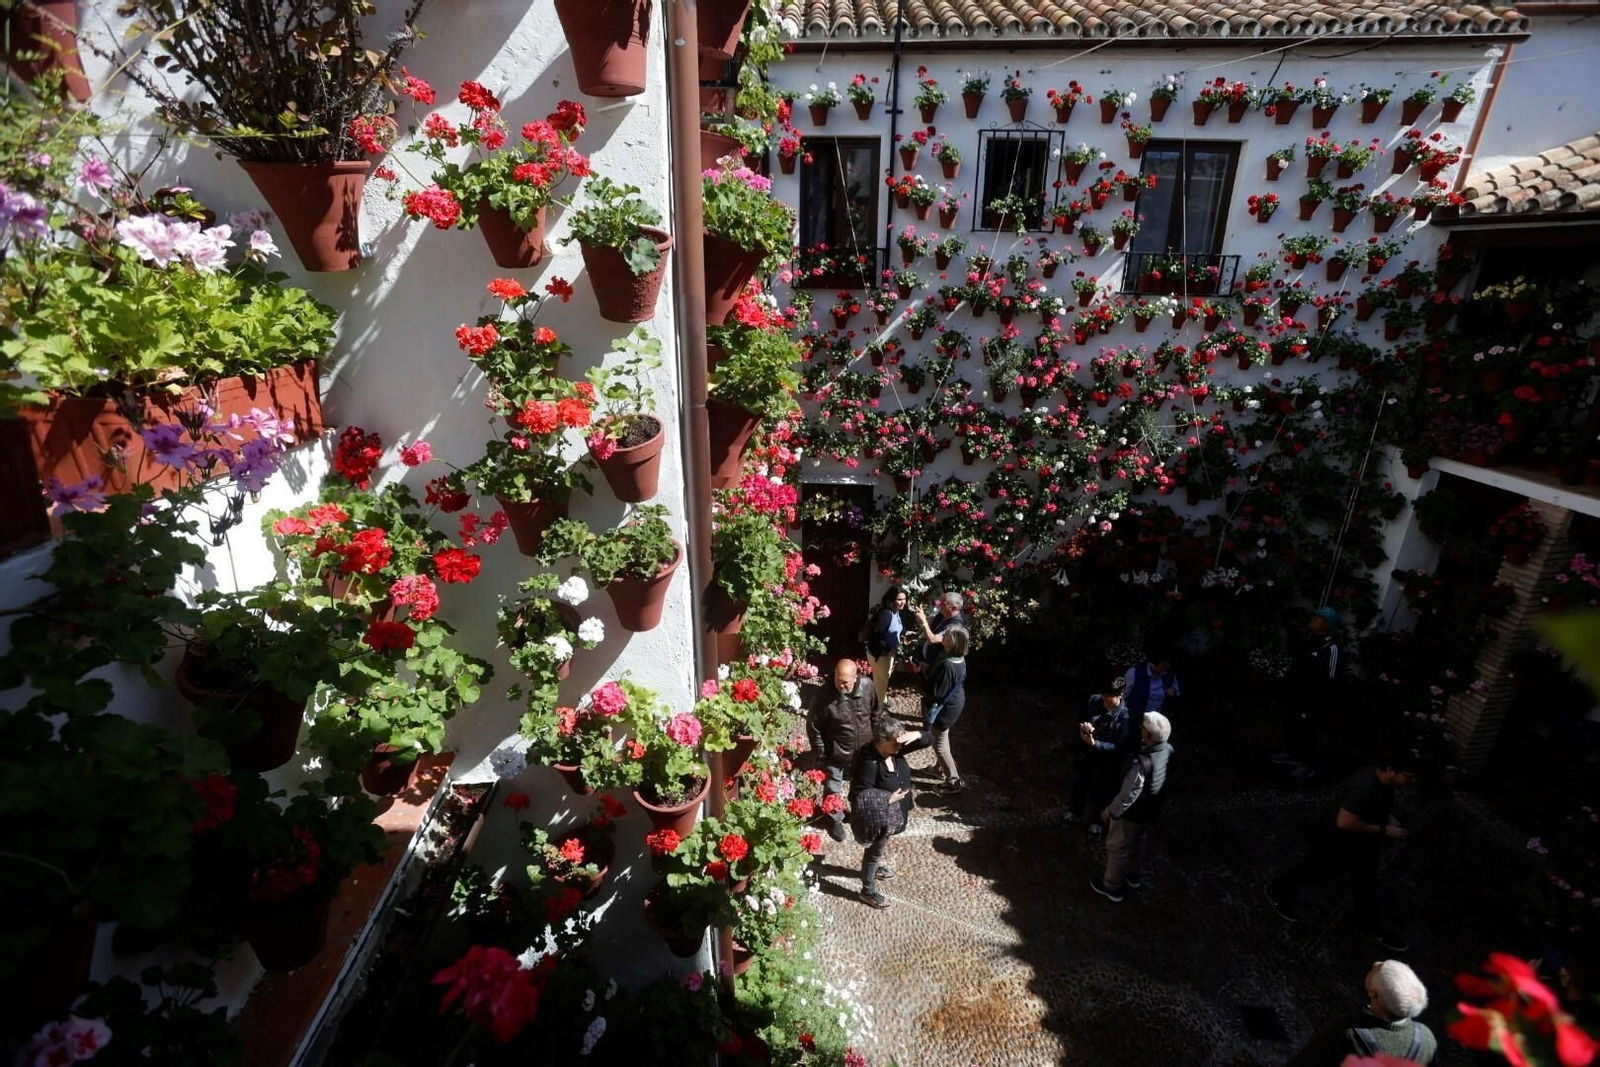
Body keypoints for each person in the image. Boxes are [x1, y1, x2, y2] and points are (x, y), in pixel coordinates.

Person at [1266, 754, 1420, 952]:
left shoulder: (1380, 781)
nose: (1412, 781)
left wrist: (1387, 820)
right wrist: (1385, 830)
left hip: (1359, 842)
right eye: (1409, 776)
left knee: (1363, 883)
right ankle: (1277, 889)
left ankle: (1369, 928)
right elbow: (1345, 823)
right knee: (1320, 868)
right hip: (1342, 840)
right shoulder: (1364, 787)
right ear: (1391, 769)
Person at [1285, 960, 1438, 1065]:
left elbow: (1308, 1061)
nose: (1375, 963)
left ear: (1373, 993)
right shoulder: (1427, 1039)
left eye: (1378, 968)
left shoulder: (1347, 1032)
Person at [1090, 711, 1173, 902]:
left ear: (1149, 737)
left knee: (1118, 847)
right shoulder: (1168, 750)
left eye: (1143, 729)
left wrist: (1109, 812)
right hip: (1151, 811)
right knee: (1139, 843)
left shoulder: (1142, 764)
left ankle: (1111, 887)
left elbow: (1128, 795)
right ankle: (1133, 875)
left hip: (1132, 815)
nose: (1140, 729)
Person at [850, 718, 930, 909]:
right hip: (878, 817)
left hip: (894, 813)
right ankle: (867, 891)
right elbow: (858, 795)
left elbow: (929, 740)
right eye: (895, 742)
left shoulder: (896, 748)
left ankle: (875, 869)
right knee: (874, 853)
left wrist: (917, 734)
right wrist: (886, 799)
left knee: (880, 848)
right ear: (881, 739)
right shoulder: (867, 761)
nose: (899, 746)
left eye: (901, 741)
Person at [805, 659, 883, 843]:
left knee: (863, 786)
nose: (841, 685)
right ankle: (834, 820)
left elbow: (876, 712)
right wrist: (822, 751)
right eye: (838, 680)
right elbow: (813, 726)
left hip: (864, 750)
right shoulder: (824, 696)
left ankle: (859, 813)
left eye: (846, 682)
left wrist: (877, 740)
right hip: (836, 753)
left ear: (856, 678)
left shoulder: (868, 686)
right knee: (833, 788)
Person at [1271, 606, 1344, 782]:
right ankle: (1291, 753)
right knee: (1291, 722)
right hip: (1298, 694)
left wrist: (1317, 703)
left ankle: (1307, 765)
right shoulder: (1309, 638)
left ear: (1327, 625)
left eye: (1319, 618)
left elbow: (1331, 679)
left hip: (1314, 699)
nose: (1314, 618)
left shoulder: (1331, 647)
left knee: (1309, 731)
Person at [1067, 676, 1134, 831]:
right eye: (1103, 695)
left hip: (1106, 760)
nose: (1104, 700)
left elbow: (1120, 747)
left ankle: (1096, 823)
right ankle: (1075, 812)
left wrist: (1095, 744)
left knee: (1101, 791)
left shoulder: (1126, 717)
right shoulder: (1094, 701)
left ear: (1120, 694)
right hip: (1086, 754)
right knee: (1079, 785)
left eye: (1108, 697)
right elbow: (1082, 717)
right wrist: (1085, 726)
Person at [922, 624, 969, 794]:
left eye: (946, 635)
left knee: (939, 744)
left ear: (952, 642)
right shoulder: (958, 658)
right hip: (955, 702)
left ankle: (952, 781)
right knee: (943, 738)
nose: (943, 636)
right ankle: (938, 769)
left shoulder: (949, 666)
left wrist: (923, 674)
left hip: (945, 709)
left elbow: (937, 693)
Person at [863, 585, 909, 706]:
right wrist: (888, 650)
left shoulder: (897, 612)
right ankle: (878, 708)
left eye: (904, 599)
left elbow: (897, 628)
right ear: (891, 601)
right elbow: (875, 637)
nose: (903, 602)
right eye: (899, 599)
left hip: (888, 654)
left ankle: (880, 699)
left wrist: (905, 633)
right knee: (882, 681)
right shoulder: (886, 614)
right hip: (881, 655)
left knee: (881, 678)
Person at [1122, 646, 1181, 721]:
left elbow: (1178, 688)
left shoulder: (1169, 674)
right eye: (1165, 663)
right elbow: (1124, 696)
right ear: (1155, 663)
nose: (1168, 666)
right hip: (1137, 719)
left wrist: (1174, 690)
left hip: (1159, 719)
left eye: (1168, 663)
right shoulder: (1135, 673)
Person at [911, 591, 966, 670]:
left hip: (936, 666)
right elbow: (929, 621)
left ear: (954, 608)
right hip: (925, 662)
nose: (939, 606)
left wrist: (923, 622)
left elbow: (932, 639)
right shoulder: (943, 614)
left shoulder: (955, 626)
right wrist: (921, 615)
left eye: (943, 604)